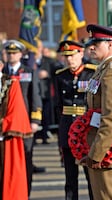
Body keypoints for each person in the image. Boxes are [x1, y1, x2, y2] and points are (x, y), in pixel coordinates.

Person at [80, 24, 112, 200]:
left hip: (107, 151)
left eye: (97, 42)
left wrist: (96, 154)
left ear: (110, 45)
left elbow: (110, 119)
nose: (91, 47)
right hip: (99, 147)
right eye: (91, 43)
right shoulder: (102, 70)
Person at [2, 40, 43, 197]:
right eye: (9, 53)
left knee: (25, 158)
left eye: (14, 53)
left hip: (23, 123)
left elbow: (35, 96)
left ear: (21, 54)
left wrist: (35, 120)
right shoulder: (2, 72)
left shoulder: (28, 72)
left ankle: (25, 192)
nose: (12, 55)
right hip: (5, 124)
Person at [55, 40, 95, 200]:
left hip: (85, 127)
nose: (69, 59)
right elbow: (58, 104)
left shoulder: (91, 72)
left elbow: (94, 102)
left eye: (72, 55)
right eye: (66, 56)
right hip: (67, 127)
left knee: (89, 174)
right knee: (70, 175)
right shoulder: (60, 75)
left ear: (81, 53)